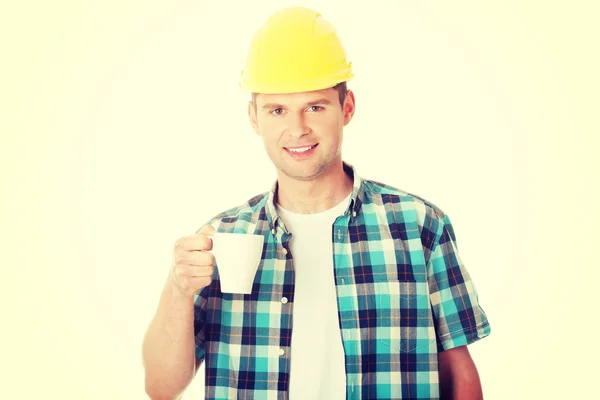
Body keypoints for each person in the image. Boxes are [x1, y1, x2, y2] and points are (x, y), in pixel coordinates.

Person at [142, 6, 491, 400]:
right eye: (277, 110)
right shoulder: (219, 239)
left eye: (315, 107)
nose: (297, 130)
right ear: (254, 118)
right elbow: (161, 387)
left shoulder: (419, 226)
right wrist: (178, 289)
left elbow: (459, 376)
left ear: (347, 108)